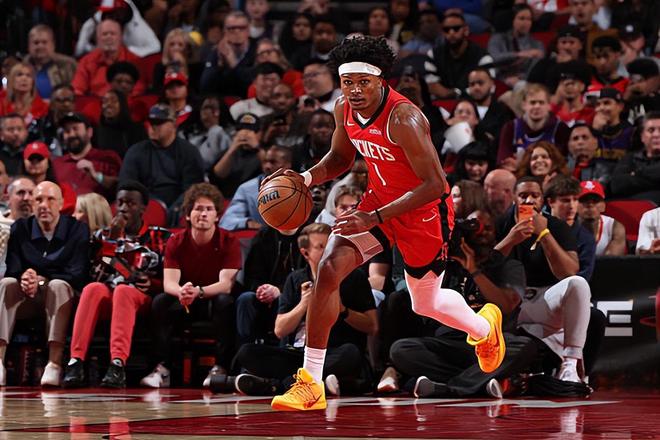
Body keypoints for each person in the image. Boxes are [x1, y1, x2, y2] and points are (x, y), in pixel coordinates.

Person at [263, 36, 505, 411]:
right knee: (328, 269)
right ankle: (310, 383)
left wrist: (373, 216)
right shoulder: (343, 108)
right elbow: (340, 158)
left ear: (381, 81)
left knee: (425, 303)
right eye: (348, 82)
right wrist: (306, 178)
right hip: (378, 201)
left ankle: (485, 328)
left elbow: (435, 184)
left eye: (364, 82)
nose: (355, 90)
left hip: (424, 212)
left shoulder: (404, 118)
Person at [390, 209, 532, 398]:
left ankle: (449, 387)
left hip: (491, 344)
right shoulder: (447, 266)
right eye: (475, 228)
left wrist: (474, 270)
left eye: (487, 228)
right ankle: (481, 382)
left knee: (524, 346)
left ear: (496, 234)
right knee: (401, 350)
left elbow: (506, 305)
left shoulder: (507, 265)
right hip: (450, 344)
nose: (481, 233)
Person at [232, 222, 377, 396]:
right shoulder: (295, 279)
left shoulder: (355, 277)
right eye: (320, 247)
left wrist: (343, 310)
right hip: (297, 352)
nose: (328, 251)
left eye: (331, 246)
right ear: (305, 253)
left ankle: (279, 385)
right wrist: (304, 304)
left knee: (350, 353)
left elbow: (372, 326)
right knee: (247, 352)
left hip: (333, 351)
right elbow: (280, 330)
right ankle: (317, 382)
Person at [62, 181, 164, 388]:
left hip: (140, 298)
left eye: (130, 203)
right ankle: (75, 362)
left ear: (143, 208)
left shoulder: (159, 236)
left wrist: (153, 283)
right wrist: (111, 241)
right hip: (109, 294)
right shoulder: (102, 236)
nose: (123, 208)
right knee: (93, 289)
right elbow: (96, 275)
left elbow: (169, 275)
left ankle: (117, 364)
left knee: (123, 291)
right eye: (120, 203)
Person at [141, 183, 241, 388]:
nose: (203, 214)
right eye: (198, 209)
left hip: (212, 297)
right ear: (188, 214)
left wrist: (199, 292)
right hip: (186, 298)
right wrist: (182, 291)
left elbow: (226, 285)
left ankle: (220, 366)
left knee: (225, 302)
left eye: (209, 209)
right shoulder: (176, 241)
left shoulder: (229, 241)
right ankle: (162, 368)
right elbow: (169, 283)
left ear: (217, 216)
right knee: (160, 302)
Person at [495, 177, 591, 383]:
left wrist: (544, 234)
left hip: (544, 300)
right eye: (523, 196)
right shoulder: (499, 224)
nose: (529, 200)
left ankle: (570, 364)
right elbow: (484, 267)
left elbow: (569, 272)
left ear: (542, 200)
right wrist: (511, 239)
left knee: (579, 284)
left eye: (535, 196)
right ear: (514, 198)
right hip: (508, 303)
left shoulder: (556, 226)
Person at [0, 181, 89, 387]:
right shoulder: (21, 228)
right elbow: (13, 268)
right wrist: (25, 276)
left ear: (61, 203)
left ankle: (54, 364)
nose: (43, 205)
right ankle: (0, 361)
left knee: (58, 285)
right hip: (29, 296)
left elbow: (77, 274)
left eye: (50, 200)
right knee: (6, 283)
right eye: (38, 199)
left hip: (62, 299)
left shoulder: (77, 229)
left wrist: (42, 279)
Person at [120, 103, 204, 210]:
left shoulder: (189, 152)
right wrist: (154, 208)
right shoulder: (135, 152)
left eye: (159, 123)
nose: (153, 127)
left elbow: (193, 189)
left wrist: (175, 209)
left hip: (180, 209)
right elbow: (127, 186)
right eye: (151, 123)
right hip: (146, 209)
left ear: (174, 126)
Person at [497, 84, 570, 171]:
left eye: (541, 102)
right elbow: (504, 162)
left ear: (549, 106)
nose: (537, 106)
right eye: (532, 102)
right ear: (524, 105)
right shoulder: (510, 127)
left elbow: (561, 162)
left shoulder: (560, 128)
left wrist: (521, 163)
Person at [220, 145, 292, 231]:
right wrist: (247, 222)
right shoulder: (247, 188)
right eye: (265, 161)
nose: (267, 166)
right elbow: (226, 221)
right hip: (264, 236)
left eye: (273, 162)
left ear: (287, 165)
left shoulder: (300, 186)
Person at [424, 12, 493, 98]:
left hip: (474, 101)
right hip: (441, 101)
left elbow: (486, 86)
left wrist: (457, 93)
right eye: (446, 29)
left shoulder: (482, 56)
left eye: (456, 28)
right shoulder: (433, 54)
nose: (451, 33)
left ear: (466, 30)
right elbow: (431, 85)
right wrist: (448, 94)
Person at [53, 112, 122, 198]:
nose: (71, 134)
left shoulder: (108, 158)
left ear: (89, 132)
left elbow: (122, 187)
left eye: (75, 129)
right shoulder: (57, 164)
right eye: (67, 131)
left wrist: (97, 177)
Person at [71, 18, 144, 98]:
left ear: (121, 37)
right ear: (97, 38)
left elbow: (138, 91)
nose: (109, 37)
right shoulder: (87, 61)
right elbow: (77, 89)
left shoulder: (134, 60)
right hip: (95, 103)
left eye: (113, 34)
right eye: (104, 34)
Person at [544, 175, 597, 281]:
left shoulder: (585, 238)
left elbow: (582, 279)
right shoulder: (537, 229)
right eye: (565, 201)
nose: (572, 206)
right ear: (551, 202)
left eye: (575, 200)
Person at [487, 4, 544, 87]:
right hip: (499, 81)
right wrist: (518, 54)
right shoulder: (498, 39)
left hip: (525, 83)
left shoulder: (537, 45)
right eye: (522, 18)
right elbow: (493, 58)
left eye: (529, 19)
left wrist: (520, 78)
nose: (526, 23)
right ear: (512, 19)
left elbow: (537, 69)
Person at [609, 112, 660, 204]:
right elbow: (617, 185)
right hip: (630, 209)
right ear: (642, 136)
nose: (656, 135)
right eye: (651, 130)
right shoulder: (629, 158)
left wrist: (636, 173)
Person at [24, 24, 77, 100]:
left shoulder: (69, 65)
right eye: (36, 43)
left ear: (53, 44)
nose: (40, 46)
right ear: (29, 45)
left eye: (44, 42)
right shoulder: (21, 67)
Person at [577, 180, 626, 256]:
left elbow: (611, 261)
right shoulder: (566, 226)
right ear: (575, 205)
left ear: (603, 206)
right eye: (584, 200)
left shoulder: (614, 227)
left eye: (595, 201)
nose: (590, 205)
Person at [96, 89, 148, 158]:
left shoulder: (137, 129)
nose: (108, 104)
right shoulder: (96, 131)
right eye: (105, 101)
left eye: (114, 101)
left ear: (122, 105)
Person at [0, 178, 35, 278]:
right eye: (21, 193)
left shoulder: (43, 228)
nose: (26, 198)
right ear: (7, 198)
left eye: (31, 193)